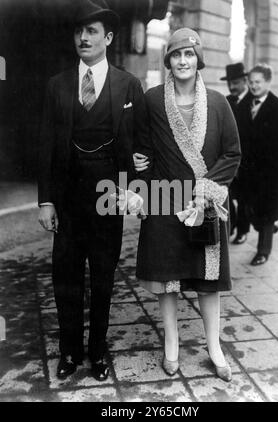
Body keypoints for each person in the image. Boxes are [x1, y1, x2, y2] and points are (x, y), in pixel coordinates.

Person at [38, 0, 149, 381]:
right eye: (78, 31)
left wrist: (134, 190)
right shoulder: (57, 85)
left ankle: (97, 352)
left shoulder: (128, 84)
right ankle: (69, 351)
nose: (83, 38)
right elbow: (47, 147)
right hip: (67, 201)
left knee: (103, 278)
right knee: (65, 278)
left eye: (92, 32)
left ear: (109, 37)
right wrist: (46, 201)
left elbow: (139, 144)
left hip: (109, 199)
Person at [134, 28, 241, 382]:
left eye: (189, 55)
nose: (183, 61)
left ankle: (214, 347)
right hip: (165, 203)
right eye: (176, 55)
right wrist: (137, 170)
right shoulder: (151, 101)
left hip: (204, 205)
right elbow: (142, 150)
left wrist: (207, 189)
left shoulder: (218, 102)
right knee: (167, 280)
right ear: (168, 60)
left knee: (208, 280)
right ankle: (172, 345)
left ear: (199, 61)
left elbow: (232, 153)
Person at [237, 63, 278, 265]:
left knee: (268, 211)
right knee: (248, 208)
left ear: (268, 82)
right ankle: (265, 227)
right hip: (248, 171)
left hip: (272, 172)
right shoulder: (242, 106)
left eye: (258, 82)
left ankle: (263, 251)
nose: (253, 86)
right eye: (251, 82)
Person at [220, 63, 252, 244]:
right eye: (230, 83)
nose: (232, 87)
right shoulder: (226, 101)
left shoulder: (252, 102)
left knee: (245, 198)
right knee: (228, 195)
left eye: (236, 82)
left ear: (245, 81)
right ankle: (231, 226)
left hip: (248, 161)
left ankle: (243, 230)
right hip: (229, 159)